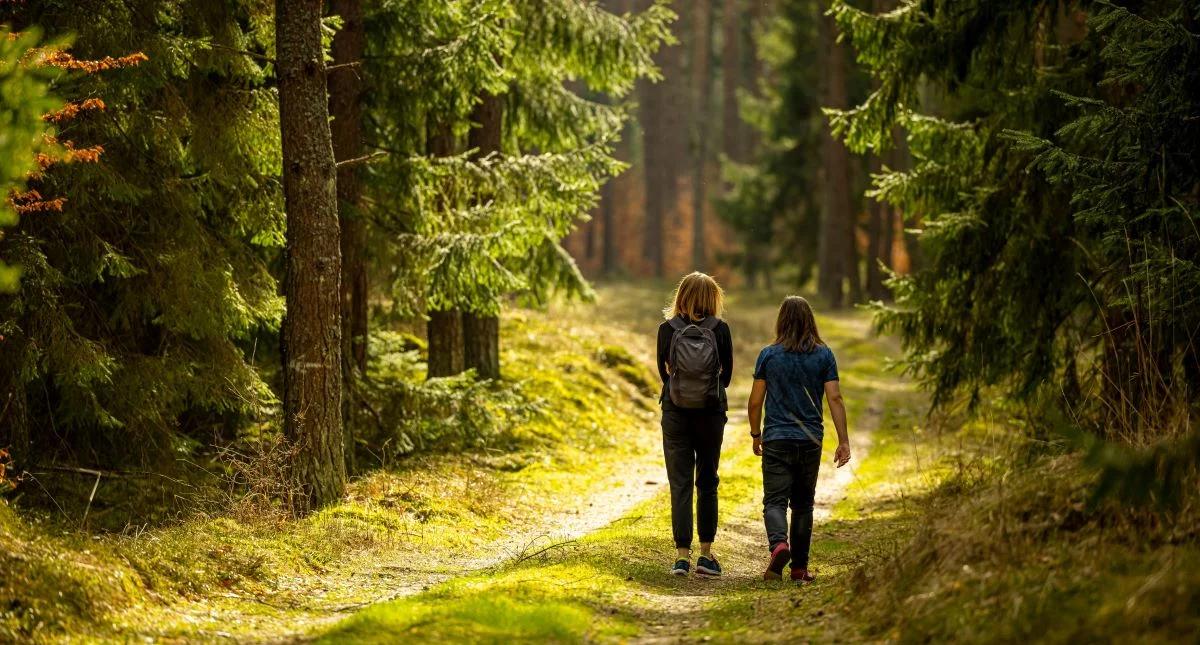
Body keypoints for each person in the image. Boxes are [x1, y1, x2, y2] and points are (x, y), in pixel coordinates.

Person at [747, 296, 851, 582]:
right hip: (809, 440)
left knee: (775, 501)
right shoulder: (824, 355)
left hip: (777, 438)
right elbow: (835, 397)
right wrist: (843, 440)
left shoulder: (768, 355)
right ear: (810, 321)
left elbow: (755, 401)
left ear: (781, 320)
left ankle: (779, 545)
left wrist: (756, 434)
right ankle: (799, 569)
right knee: (803, 504)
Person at [657, 272, 733, 576]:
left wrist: (681, 390)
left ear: (681, 296)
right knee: (707, 480)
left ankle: (680, 557)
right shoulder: (721, 329)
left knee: (680, 483)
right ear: (713, 298)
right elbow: (726, 377)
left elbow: (663, 374)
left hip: (675, 411)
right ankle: (706, 556)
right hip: (710, 412)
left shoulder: (667, 329)